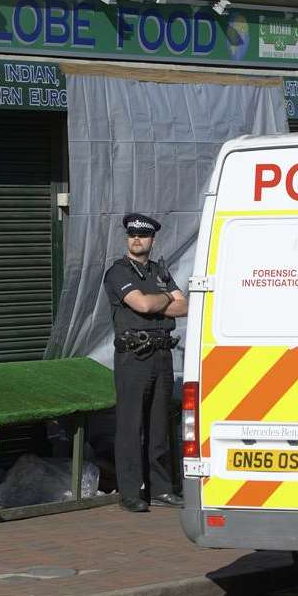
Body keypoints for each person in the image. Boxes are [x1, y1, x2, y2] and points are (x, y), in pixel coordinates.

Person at [104, 213, 188, 513]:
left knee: (159, 426)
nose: (136, 239)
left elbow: (185, 305)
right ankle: (130, 492)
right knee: (130, 427)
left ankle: (161, 489)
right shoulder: (118, 272)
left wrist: (159, 299)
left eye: (142, 235)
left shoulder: (158, 271)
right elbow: (141, 304)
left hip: (162, 355)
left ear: (152, 239)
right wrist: (166, 298)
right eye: (132, 235)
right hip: (133, 357)